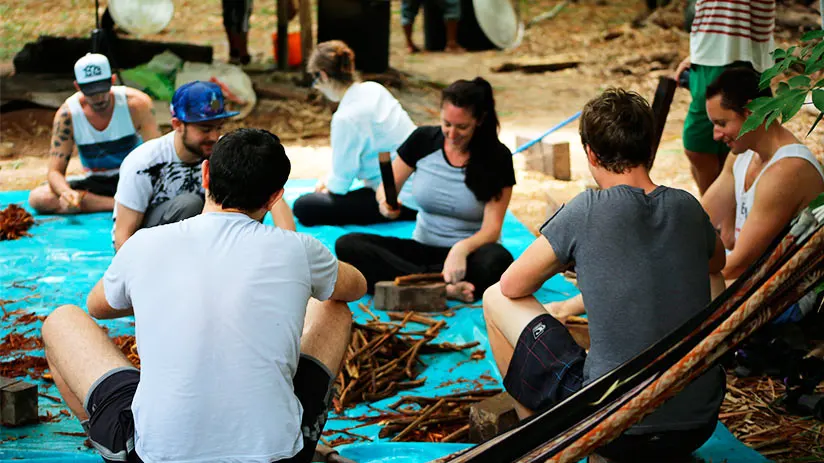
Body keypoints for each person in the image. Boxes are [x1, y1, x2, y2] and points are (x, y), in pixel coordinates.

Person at [41, 128, 367, 463]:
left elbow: (98, 307)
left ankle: (106, 439)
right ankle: (302, 435)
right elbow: (355, 286)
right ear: (274, 197)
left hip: (156, 455)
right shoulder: (299, 249)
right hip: (279, 456)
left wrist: (167, 295)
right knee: (334, 309)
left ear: (206, 174)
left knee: (61, 320)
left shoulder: (146, 244)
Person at [483, 89, 727, 462]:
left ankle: (539, 436)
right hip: (698, 423)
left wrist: (577, 259)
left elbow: (513, 285)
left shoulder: (586, 209)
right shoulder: (687, 207)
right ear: (650, 149)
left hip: (614, 424)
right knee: (711, 281)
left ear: (591, 154)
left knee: (494, 297)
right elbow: (717, 264)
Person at [335, 77, 515, 303]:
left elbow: (492, 229)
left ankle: (411, 285)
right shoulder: (423, 140)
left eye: (462, 127)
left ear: (479, 120)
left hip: (468, 257)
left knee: (498, 261)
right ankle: (441, 288)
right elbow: (386, 188)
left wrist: (460, 250)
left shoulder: (498, 157)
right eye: (446, 124)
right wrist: (386, 204)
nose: (451, 134)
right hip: (420, 248)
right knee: (348, 245)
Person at [113, 80, 295, 250]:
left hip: (212, 244)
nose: (214, 137)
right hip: (156, 248)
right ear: (177, 125)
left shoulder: (227, 151)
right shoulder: (144, 162)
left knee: (253, 190)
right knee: (189, 204)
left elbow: (273, 197)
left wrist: (291, 250)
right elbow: (123, 236)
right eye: (205, 129)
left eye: (219, 127)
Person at [702, 67, 824, 321]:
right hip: (751, 281)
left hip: (785, 298)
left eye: (722, 123)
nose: (715, 135)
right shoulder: (743, 154)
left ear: (750, 112)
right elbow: (700, 219)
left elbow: (737, 265)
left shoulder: (787, 170)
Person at [293, 40, 419, 226]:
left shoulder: (346, 118)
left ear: (323, 75)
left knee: (305, 206)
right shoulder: (374, 89)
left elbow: (340, 185)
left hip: (397, 198)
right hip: (421, 185)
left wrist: (327, 183)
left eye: (315, 80)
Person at [28, 53, 160, 215]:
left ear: (112, 81)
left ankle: (121, 202)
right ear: (78, 87)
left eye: (102, 90)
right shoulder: (68, 114)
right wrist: (66, 193)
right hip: (97, 183)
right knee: (39, 197)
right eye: (90, 92)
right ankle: (119, 204)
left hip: (134, 177)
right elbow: (55, 171)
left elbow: (157, 156)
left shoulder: (136, 104)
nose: (98, 98)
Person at [674, 0, 775, 194]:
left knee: (738, 143)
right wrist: (697, 53)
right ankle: (718, 214)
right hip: (714, 49)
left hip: (735, 49)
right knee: (708, 145)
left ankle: (723, 214)